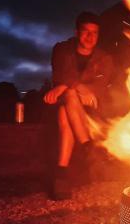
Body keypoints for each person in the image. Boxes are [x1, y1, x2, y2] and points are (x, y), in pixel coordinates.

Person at [43, 11, 113, 200]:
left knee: (66, 106)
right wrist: (76, 86)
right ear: (76, 32)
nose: (90, 37)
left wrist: (65, 86)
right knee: (69, 97)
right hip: (63, 101)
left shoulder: (104, 58)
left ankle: (61, 175)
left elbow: (100, 86)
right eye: (85, 32)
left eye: (95, 33)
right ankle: (88, 146)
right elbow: (59, 73)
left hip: (89, 108)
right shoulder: (62, 49)